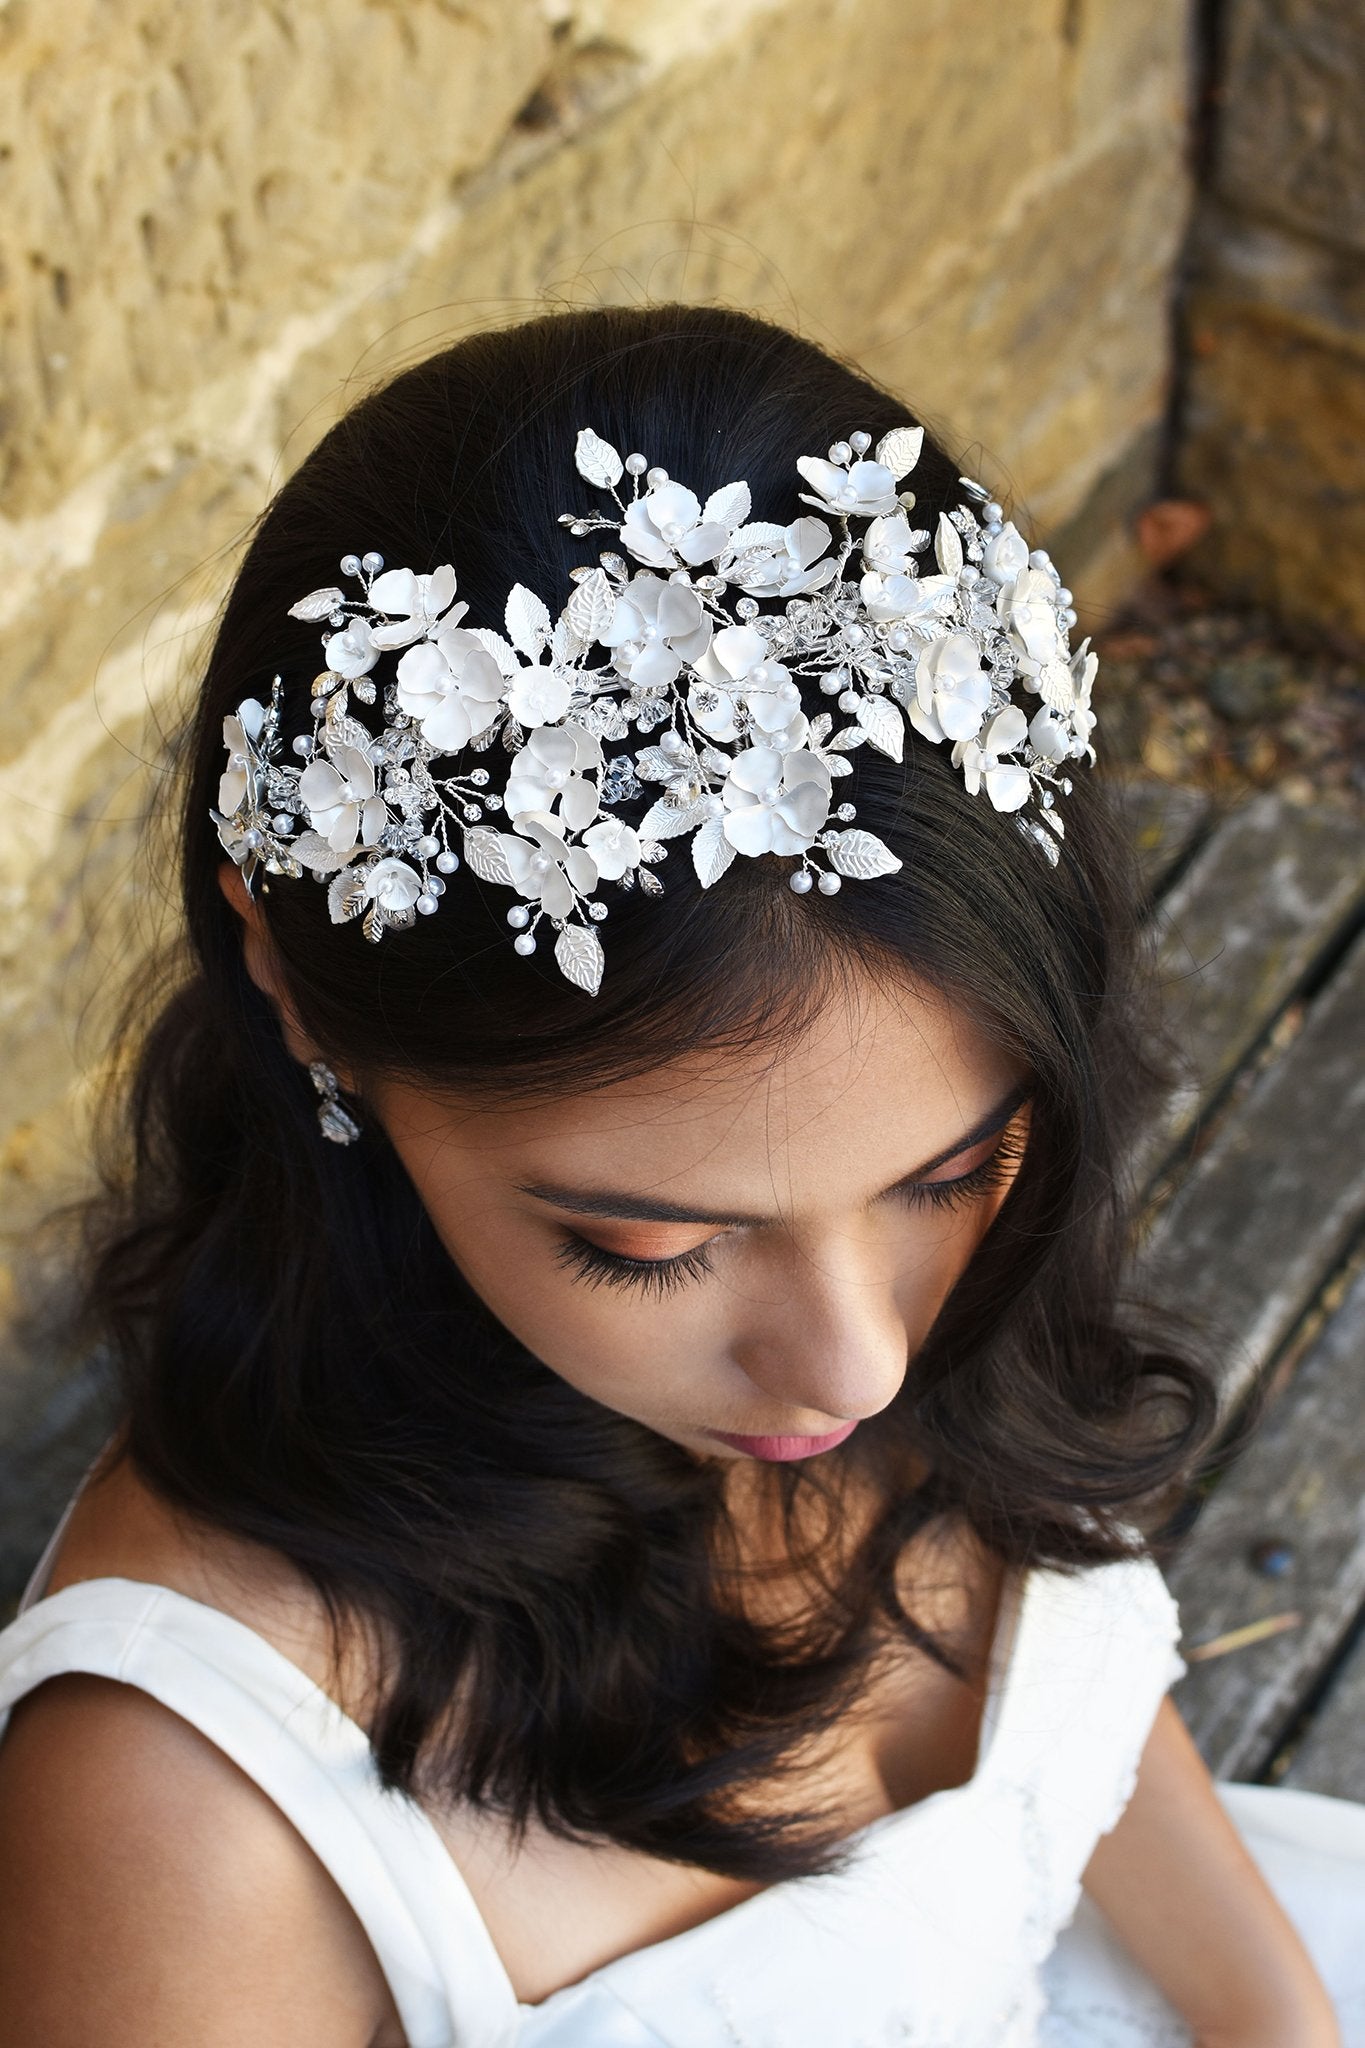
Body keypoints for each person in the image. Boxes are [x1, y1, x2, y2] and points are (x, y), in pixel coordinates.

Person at [0, 304, 1360, 2048]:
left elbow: (1092, 1761)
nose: (863, 1369)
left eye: (952, 1174)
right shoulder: (187, 1812)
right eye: (646, 1245)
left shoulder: (910, 1317)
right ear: (290, 984)